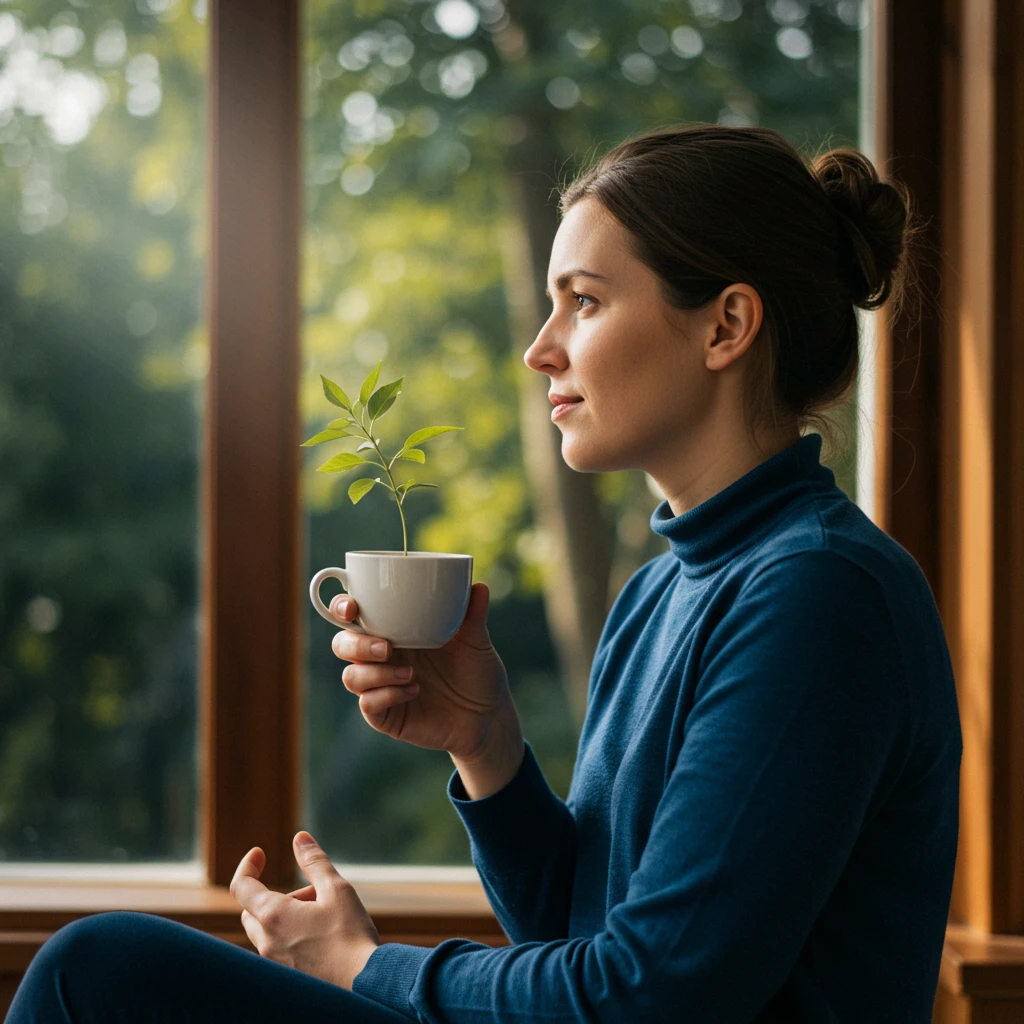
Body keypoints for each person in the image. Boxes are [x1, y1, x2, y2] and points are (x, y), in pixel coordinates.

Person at [7, 123, 961, 1023]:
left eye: (583, 301)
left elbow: (653, 997)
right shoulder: (664, 590)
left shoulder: (821, 593)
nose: (539, 347)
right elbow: (578, 938)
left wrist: (362, 968)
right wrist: (488, 747)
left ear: (727, 326)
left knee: (100, 972)